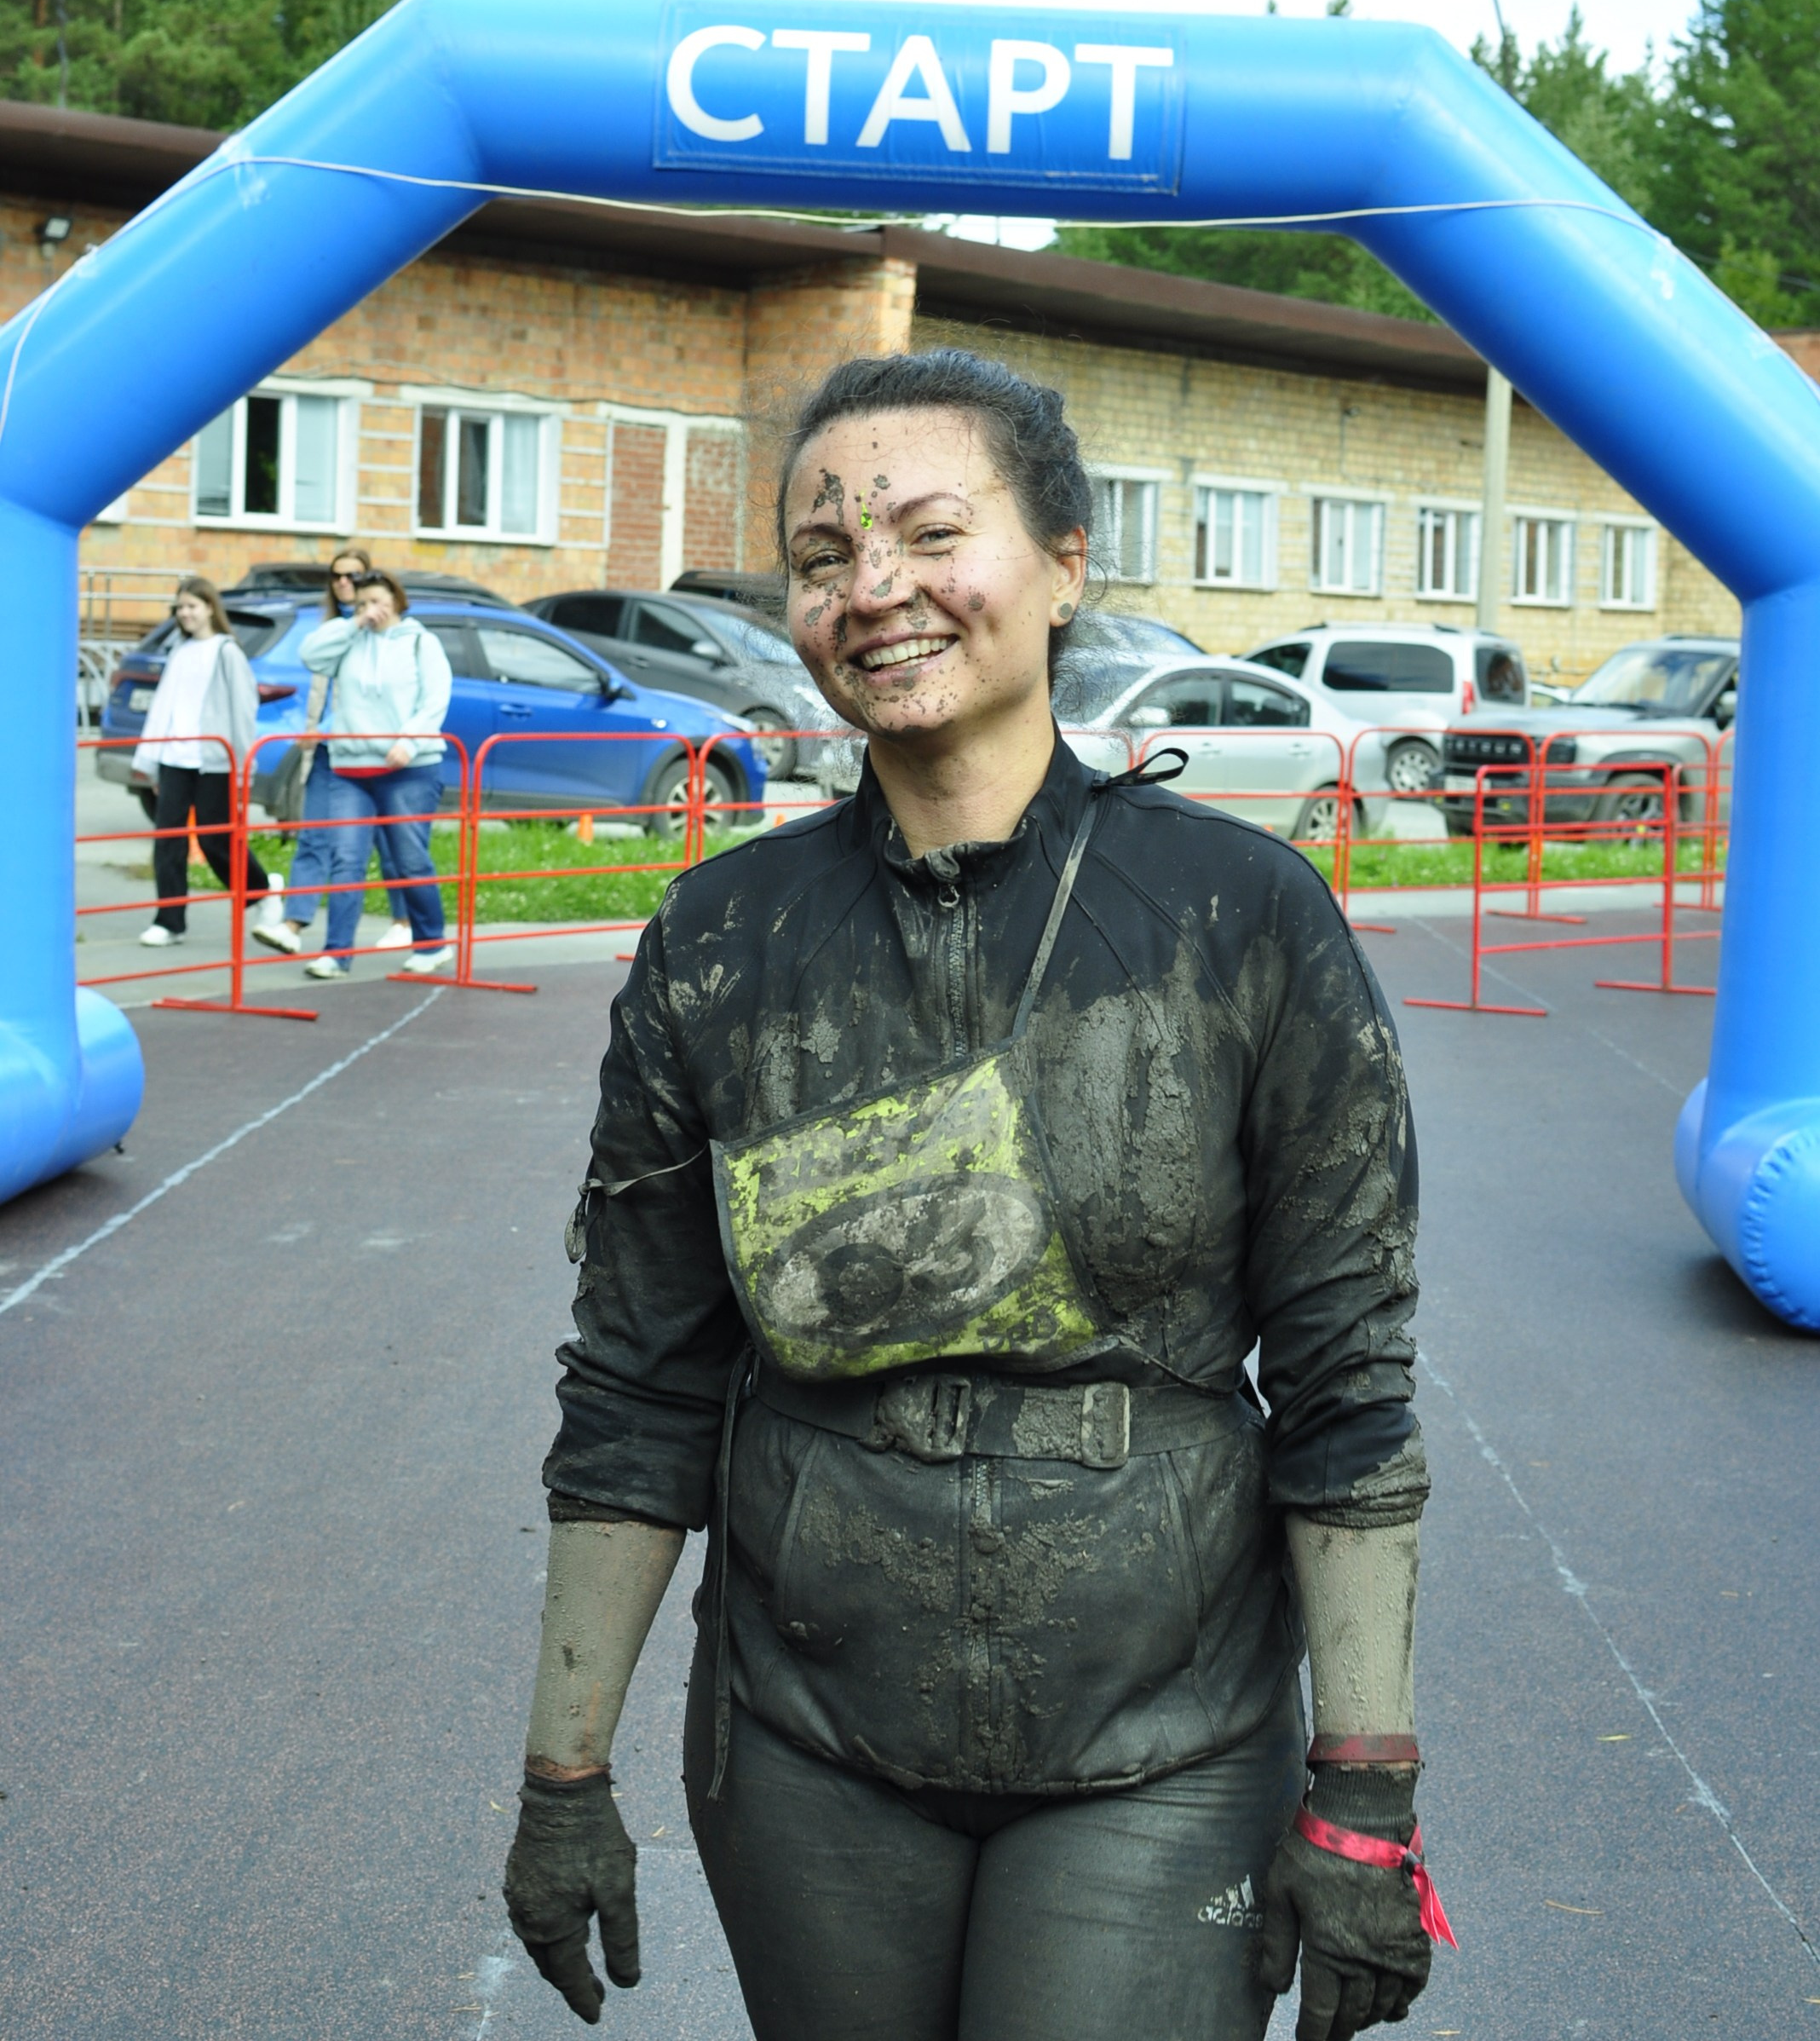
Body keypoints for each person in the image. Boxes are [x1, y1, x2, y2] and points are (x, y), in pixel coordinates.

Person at [502, 350, 1446, 2041]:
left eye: (932, 534)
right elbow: (637, 1387)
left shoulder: (1243, 921)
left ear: (1066, 562)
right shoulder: (721, 943)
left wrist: (1365, 1792)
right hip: (803, 1741)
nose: (875, 590)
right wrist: (563, 1774)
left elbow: (1346, 1388)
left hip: (1165, 1738)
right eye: (822, 557)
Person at [253, 547, 411, 957]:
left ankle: (405, 921)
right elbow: (314, 676)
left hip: (372, 752)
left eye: (352, 576)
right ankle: (293, 923)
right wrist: (311, 728)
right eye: (336, 576)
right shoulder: (333, 628)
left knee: (388, 840)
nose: (343, 583)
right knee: (314, 835)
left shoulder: (385, 633)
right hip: (328, 750)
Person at [297, 568, 453, 980]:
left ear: (396, 601)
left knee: (409, 858)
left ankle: (431, 943)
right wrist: (352, 624)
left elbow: (436, 699)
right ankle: (336, 953)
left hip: (408, 769)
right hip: (350, 769)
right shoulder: (349, 640)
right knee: (346, 860)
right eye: (362, 603)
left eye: (378, 601)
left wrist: (409, 741)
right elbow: (310, 656)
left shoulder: (420, 642)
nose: (371, 610)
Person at [132, 576, 282, 948]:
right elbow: (163, 707)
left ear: (210, 609)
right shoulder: (179, 651)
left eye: (192, 607)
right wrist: (150, 758)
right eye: (180, 608)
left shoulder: (226, 651)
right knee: (168, 839)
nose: (185, 614)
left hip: (214, 760)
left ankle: (261, 891)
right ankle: (170, 921)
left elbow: (242, 709)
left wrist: (243, 765)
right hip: (174, 757)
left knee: (215, 838)